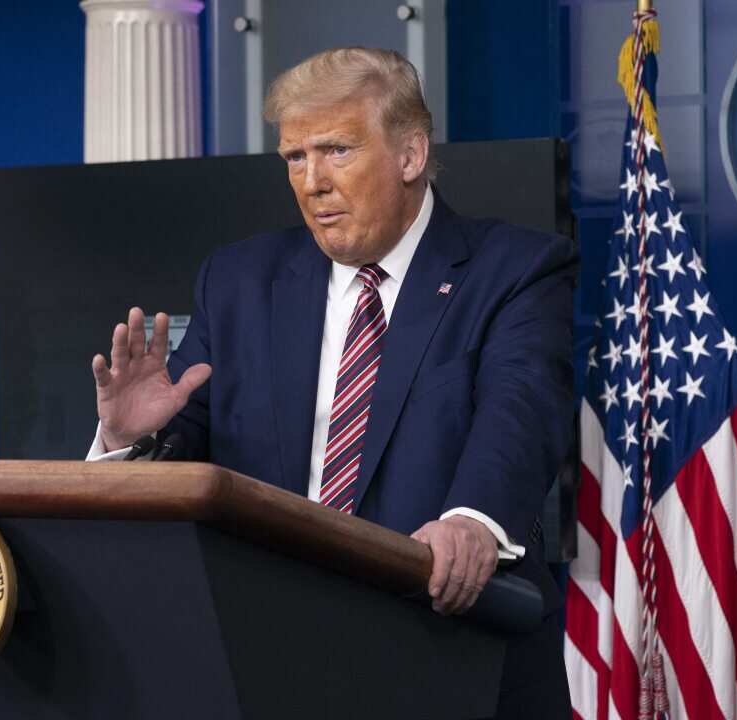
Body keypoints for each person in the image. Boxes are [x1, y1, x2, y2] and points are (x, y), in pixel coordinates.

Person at [89, 48, 577, 717]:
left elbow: (520, 414)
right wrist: (128, 439)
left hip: (452, 653)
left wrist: (472, 523)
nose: (312, 181)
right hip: (270, 662)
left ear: (409, 155)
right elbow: (182, 466)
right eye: (295, 157)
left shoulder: (513, 270)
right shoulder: (238, 282)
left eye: (337, 150)